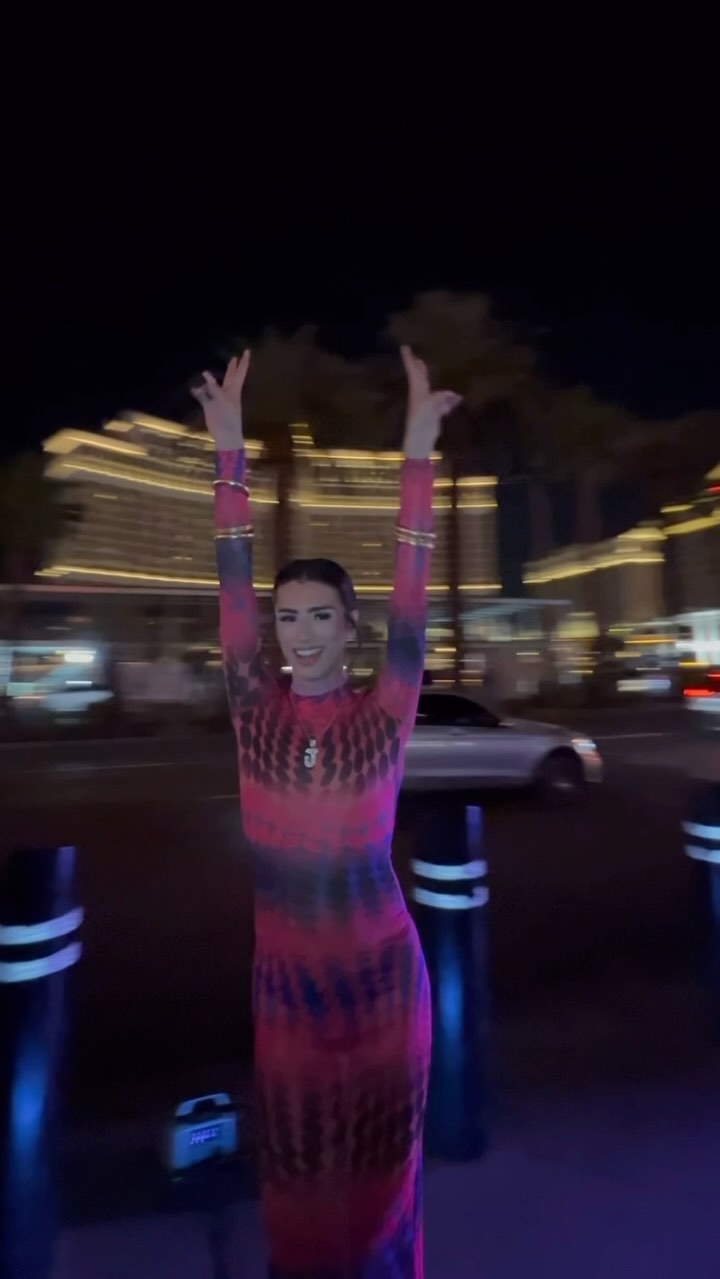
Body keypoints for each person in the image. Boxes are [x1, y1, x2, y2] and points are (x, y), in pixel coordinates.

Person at [193, 348, 461, 1278]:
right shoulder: (254, 711)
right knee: (301, 1196)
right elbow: (231, 582)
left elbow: (414, 595)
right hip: (289, 997)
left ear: (351, 627)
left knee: (383, 1198)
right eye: (287, 617)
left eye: (320, 616)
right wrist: (229, 453)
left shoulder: (385, 710)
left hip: (385, 986)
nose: (300, 634)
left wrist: (418, 452)